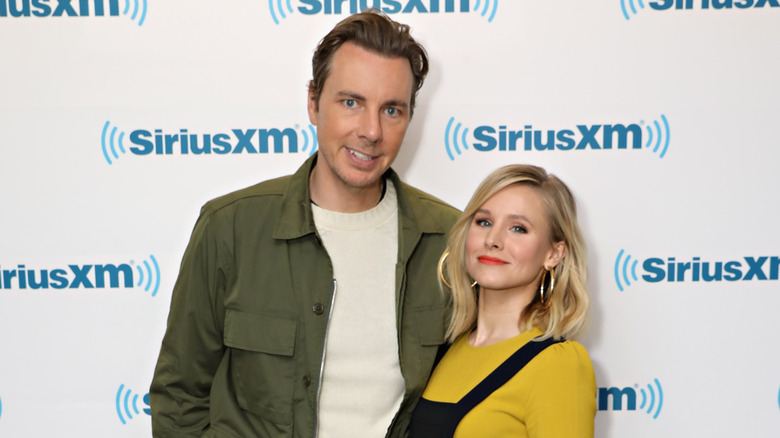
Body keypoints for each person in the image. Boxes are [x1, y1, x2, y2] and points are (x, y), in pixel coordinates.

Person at [150, 10, 460, 438]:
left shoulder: (450, 239)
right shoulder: (230, 227)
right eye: (351, 103)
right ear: (313, 102)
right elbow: (180, 396)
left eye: (392, 110)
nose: (371, 131)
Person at [410, 164, 596, 437]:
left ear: (554, 254)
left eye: (518, 228)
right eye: (484, 222)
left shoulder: (559, 364)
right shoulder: (446, 348)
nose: (493, 240)